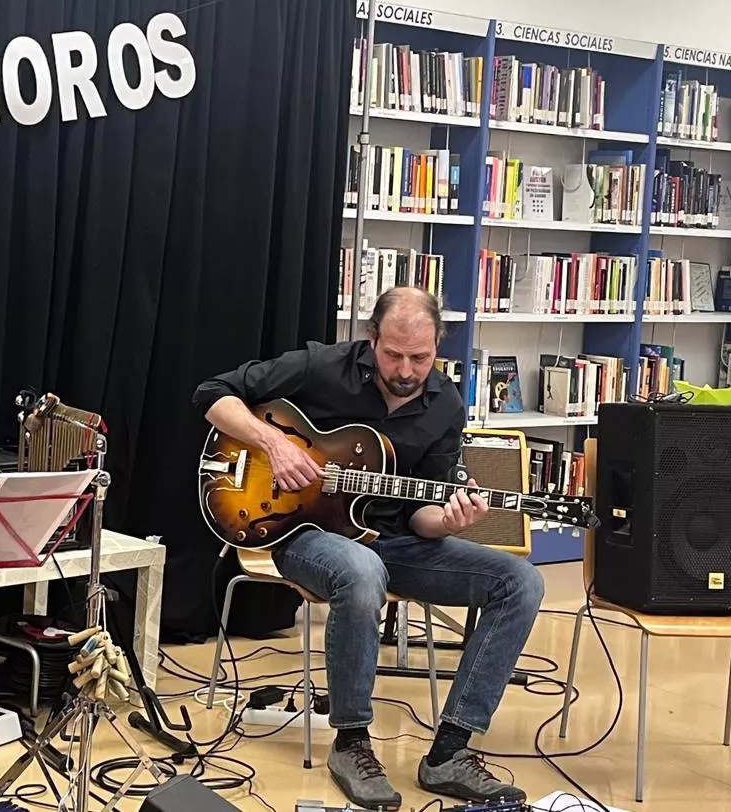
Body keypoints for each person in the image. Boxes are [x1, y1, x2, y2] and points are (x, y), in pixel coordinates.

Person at [192, 286, 544, 808]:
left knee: (521, 581)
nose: (406, 369)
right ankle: (352, 742)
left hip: (393, 541)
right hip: (302, 532)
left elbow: (422, 515)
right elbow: (211, 393)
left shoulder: (444, 403)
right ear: (371, 338)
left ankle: (450, 751)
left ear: (437, 347)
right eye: (394, 354)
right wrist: (275, 443)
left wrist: (448, 520)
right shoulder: (320, 366)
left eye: (420, 358)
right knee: (360, 571)